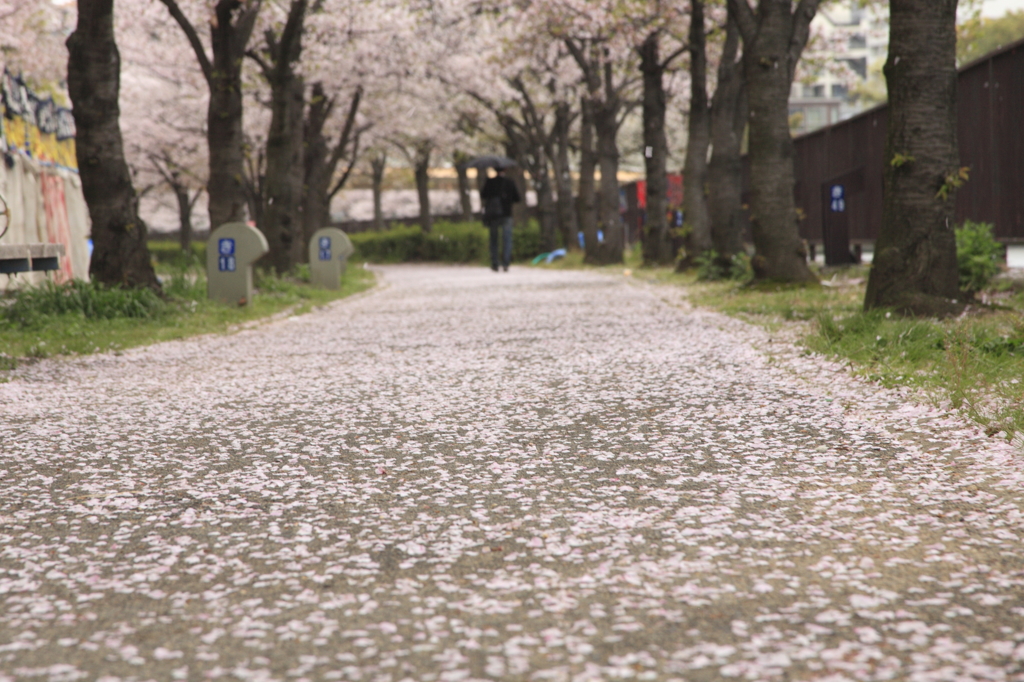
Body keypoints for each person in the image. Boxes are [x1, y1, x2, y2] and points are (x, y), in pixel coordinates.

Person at [479, 167, 521, 272]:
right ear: (505, 170)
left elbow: (483, 195)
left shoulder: (490, 182)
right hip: (507, 214)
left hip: (493, 215)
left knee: (494, 239)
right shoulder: (510, 182)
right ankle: (506, 263)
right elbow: (517, 198)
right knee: (507, 239)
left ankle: (495, 263)